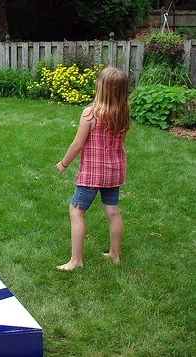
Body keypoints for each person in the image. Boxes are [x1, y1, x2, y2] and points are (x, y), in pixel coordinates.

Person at [55, 67, 130, 271]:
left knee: (76, 211)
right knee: (113, 212)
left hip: (92, 173)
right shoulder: (123, 112)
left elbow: (77, 144)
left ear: (102, 88)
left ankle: (76, 261)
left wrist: (63, 164)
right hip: (114, 171)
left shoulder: (90, 113)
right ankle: (115, 255)